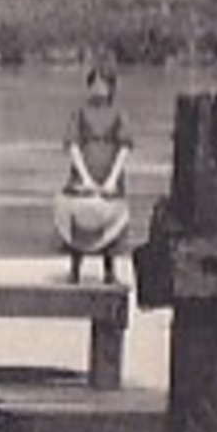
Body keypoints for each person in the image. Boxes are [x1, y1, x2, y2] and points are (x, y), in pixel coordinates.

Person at [55, 62, 133, 284]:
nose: (99, 88)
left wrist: (112, 178)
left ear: (111, 86)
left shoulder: (119, 113)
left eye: (103, 83)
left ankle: (110, 271)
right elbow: (72, 144)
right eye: (95, 83)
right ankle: (74, 270)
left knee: (111, 222)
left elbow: (125, 146)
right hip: (83, 171)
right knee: (78, 222)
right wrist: (85, 177)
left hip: (110, 173)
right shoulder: (79, 112)